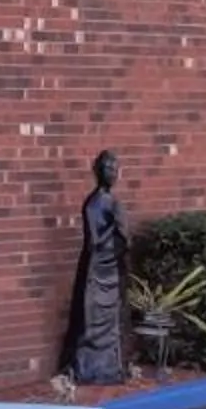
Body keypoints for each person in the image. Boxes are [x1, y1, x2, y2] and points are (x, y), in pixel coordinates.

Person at [61, 149, 128, 386]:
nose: (113, 174)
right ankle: (88, 367)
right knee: (91, 317)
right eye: (108, 169)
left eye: (115, 169)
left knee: (111, 319)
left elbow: (124, 239)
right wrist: (115, 228)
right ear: (98, 172)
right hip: (96, 269)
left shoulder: (112, 202)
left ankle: (109, 367)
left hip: (110, 269)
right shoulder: (95, 204)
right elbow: (94, 242)